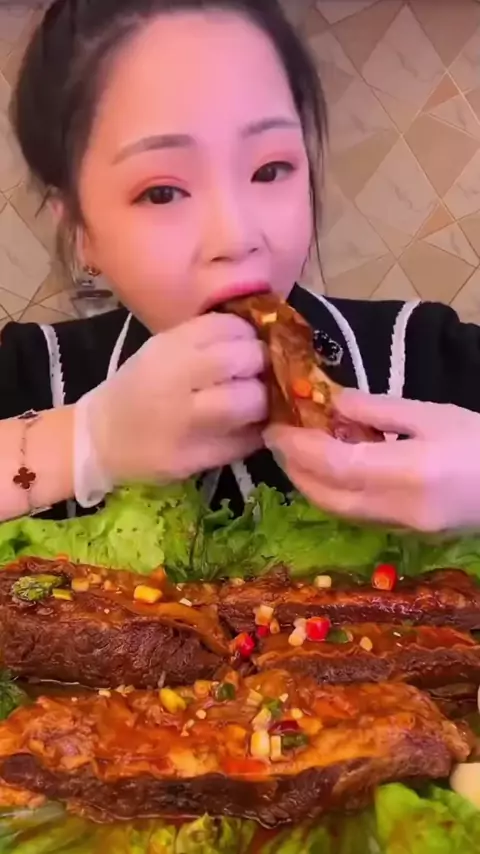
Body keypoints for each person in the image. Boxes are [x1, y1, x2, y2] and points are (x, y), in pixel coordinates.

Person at [1, 0, 480, 533]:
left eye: (270, 169)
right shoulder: (31, 373)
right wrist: (86, 441)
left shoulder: (429, 358)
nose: (237, 237)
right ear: (81, 229)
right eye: (162, 192)